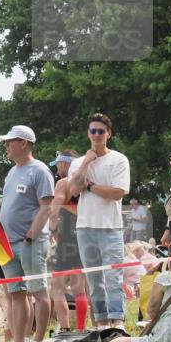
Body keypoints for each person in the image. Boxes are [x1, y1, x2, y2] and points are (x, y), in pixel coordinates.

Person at [0, 125, 54, 342]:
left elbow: (46, 207)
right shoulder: (12, 172)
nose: (6, 146)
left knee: (39, 291)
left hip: (30, 242)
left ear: (24, 143)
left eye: (10, 141)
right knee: (16, 293)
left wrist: (31, 236)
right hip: (8, 244)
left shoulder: (40, 171)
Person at [68, 113, 131, 328]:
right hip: (85, 227)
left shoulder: (119, 159)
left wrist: (91, 186)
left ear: (108, 134)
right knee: (94, 280)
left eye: (101, 131)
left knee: (113, 277)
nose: (96, 135)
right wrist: (87, 161)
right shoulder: (78, 162)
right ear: (88, 133)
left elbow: (117, 192)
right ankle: (102, 323)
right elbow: (73, 190)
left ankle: (118, 321)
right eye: (93, 131)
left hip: (110, 227)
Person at [48, 149, 89, 331]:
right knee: (81, 288)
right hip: (85, 235)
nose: (57, 167)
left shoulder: (63, 183)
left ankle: (64, 328)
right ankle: (82, 328)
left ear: (65, 163)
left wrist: (53, 228)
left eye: (57, 164)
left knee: (57, 287)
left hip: (66, 237)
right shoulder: (87, 182)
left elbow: (55, 208)